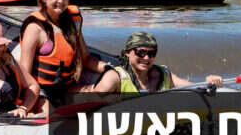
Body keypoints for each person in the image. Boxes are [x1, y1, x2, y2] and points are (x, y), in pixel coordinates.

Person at [19, 0, 110, 111]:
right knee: (51, 116)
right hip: (43, 92)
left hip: (67, 89)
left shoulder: (73, 22)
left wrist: (107, 68)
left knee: (112, 82)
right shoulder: (34, 28)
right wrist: (25, 106)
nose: (61, 1)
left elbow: (85, 58)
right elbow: (24, 74)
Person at [94, 32, 222, 94]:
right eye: (140, 52)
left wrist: (210, 83)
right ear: (128, 52)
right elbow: (92, 103)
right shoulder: (114, 77)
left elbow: (193, 88)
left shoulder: (164, 75)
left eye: (152, 53)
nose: (146, 58)